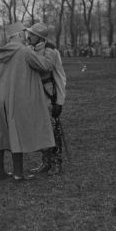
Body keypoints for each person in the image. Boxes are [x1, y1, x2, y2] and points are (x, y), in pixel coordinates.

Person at [0, 21, 55, 181]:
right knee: (16, 131)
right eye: (24, 33)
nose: (26, 36)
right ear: (18, 35)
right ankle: (18, 173)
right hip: (13, 98)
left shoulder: (0, 53)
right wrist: (49, 50)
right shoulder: (24, 52)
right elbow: (46, 65)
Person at [26, 22, 67, 177]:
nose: (28, 36)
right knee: (40, 130)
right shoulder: (30, 49)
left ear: (39, 37)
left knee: (53, 131)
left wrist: (59, 102)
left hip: (50, 97)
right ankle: (46, 162)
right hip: (35, 97)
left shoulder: (51, 51)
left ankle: (56, 163)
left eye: (32, 34)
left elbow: (55, 73)